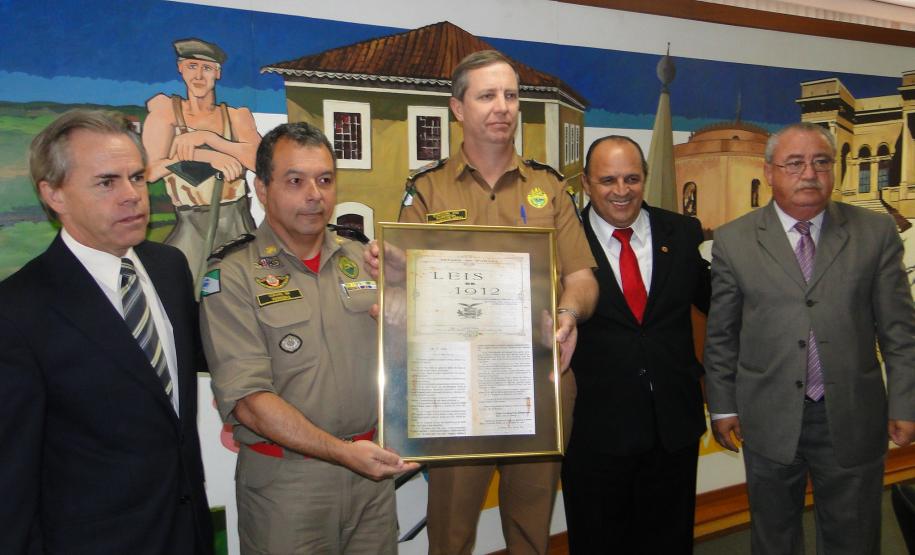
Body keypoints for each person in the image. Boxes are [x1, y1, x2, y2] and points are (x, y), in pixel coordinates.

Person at [390, 49, 599, 555]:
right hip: (456, 385)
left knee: (531, 531)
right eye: (487, 95)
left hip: (538, 377)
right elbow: (400, 287)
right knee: (452, 531)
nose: (502, 106)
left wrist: (569, 313)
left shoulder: (549, 188)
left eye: (510, 95)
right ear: (458, 108)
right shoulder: (425, 191)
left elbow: (582, 277)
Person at [0, 109, 213, 554]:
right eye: (106, 182)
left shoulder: (169, 268)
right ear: (54, 194)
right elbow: (12, 478)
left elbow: (204, 358)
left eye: (137, 177)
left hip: (185, 533)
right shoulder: (18, 310)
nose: (133, 196)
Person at [199, 122, 418, 554]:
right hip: (287, 487)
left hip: (369, 476)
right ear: (262, 189)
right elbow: (249, 401)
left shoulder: (364, 257)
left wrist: (409, 288)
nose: (314, 194)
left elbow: (415, 350)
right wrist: (342, 452)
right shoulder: (233, 274)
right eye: (295, 181)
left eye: (324, 180)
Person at [704, 122, 915, 554]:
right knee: (774, 535)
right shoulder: (735, 240)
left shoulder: (875, 234)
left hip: (853, 414)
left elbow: (900, 331)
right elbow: (723, 334)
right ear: (769, 171)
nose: (809, 173)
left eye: (821, 162)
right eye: (795, 163)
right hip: (767, 415)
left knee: (853, 534)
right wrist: (722, 406)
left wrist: (907, 404)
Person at [561, 135, 710, 554]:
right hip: (594, 434)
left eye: (632, 178)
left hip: (673, 428)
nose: (621, 191)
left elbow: (716, 299)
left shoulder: (680, 232)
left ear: (645, 178)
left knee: (670, 542)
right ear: (586, 184)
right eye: (608, 180)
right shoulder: (561, 243)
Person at [143, 37, 260, 280]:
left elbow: (261, 163)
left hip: (236, 222)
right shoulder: (166, 114)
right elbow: (152, 171)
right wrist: (206, 157)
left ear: (217, 73)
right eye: (192, 66)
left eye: (206, 68)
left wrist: (211, 139)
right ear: (180, 68)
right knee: (182, 290)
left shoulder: (237, 117)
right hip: (191, 224)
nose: (198, 76)